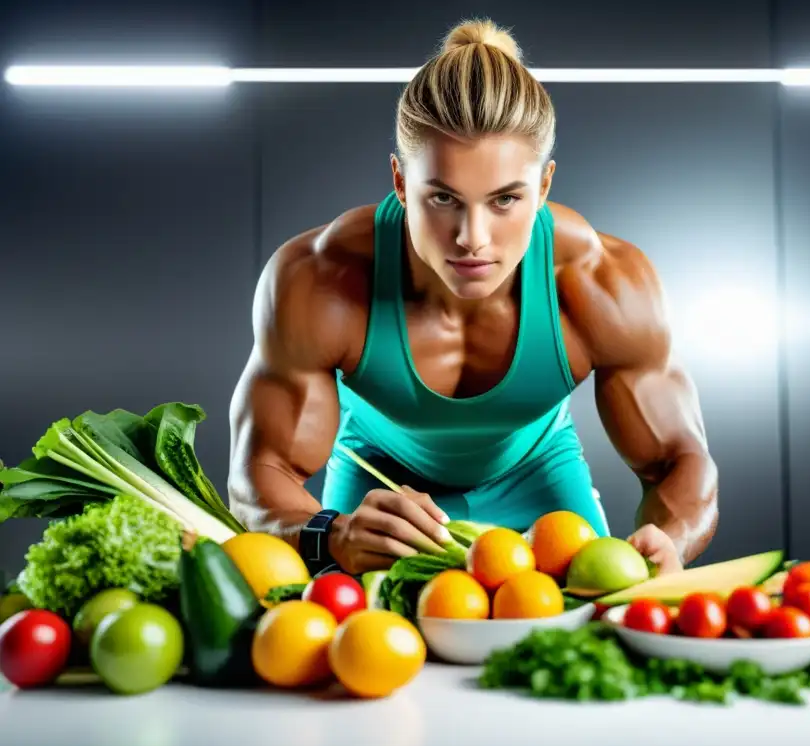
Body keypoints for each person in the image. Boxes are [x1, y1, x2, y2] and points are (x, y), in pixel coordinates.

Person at [227, 18, 719, 578]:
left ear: (545, 187)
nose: (472, 237)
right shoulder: (319, 278)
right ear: (400, 183)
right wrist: (327, 533)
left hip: (540, 475)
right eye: (443, 198)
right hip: (379, 483)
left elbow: (680, 459)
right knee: (353, 648)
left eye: (506, 199)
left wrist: (671, 540)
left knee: (594, 631)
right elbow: (261, 469)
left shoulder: (602, 283)